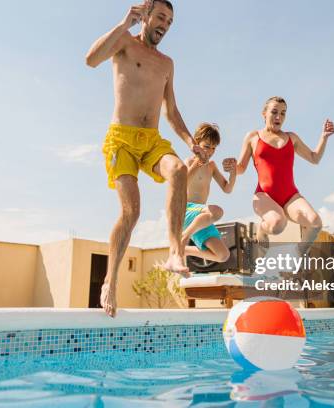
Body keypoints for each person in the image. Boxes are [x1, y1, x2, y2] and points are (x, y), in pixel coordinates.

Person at [85, 0, 205, 317]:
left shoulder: (167, 63)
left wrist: (190, 141)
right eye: (162, 16)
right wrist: (124, 23)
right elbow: (90, 60)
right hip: (121, 140)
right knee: (131, 213)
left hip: (150, 140)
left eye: (171, 20)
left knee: (178, 169)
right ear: (146, 16)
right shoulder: (124, 42)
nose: (166, 24)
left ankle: (175, 252)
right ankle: (110, 280)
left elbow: (172, 111)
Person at [236, 96, 334, 258]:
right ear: (264, 114)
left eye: (283, 113)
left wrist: (324, 137)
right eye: (274, 112)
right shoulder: (253, 137)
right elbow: (240, 169)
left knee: (315, 223)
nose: (278, 117)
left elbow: (314, 158)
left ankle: (298, 254)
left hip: (290, 196)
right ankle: (261, 230)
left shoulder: (291, 138)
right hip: (264, 195)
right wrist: (232, 166)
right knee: (277, 225)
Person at [182, 123, 237, 262]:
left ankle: (184, 249)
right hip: (187, 211)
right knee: (216, 212)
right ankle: (184, 237)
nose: (210, 151)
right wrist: (198, 162)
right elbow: (181, 185)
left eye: (213, 148)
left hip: (202, 218)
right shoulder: (188, 162)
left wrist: (233, 173)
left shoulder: (212, 166)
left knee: (223, 255)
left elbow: (227, 189)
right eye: (206, 146)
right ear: (196, 143)